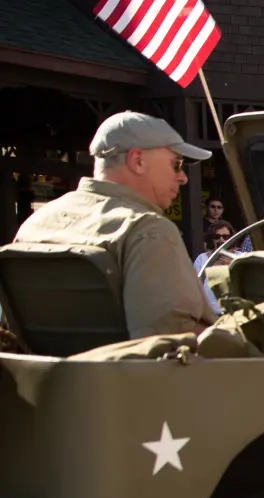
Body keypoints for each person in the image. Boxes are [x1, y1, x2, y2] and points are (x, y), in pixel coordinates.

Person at [14, 112, 216, 340]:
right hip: (134, 374)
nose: (183, 177)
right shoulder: (147, 229)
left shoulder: (35, 224)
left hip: (44, 374)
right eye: (176, 164)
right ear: (138, 161)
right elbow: (170, 341)